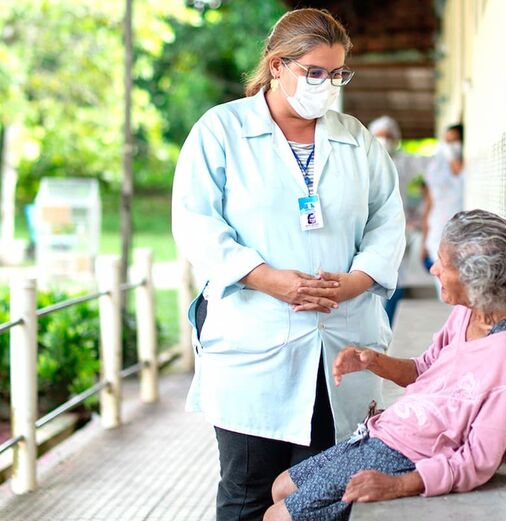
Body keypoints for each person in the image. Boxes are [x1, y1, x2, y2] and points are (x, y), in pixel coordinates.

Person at [171, 8, 406, 520]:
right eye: (314, 72)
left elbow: (388, 220)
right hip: (254, 343)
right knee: (247, 490)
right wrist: (265, 278)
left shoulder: (356, 138)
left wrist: (356, 281)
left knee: (321, 497)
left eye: (337, 73)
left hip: (339, 341)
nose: (327, 85)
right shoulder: (222, 130)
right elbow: (195, 222)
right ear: (277, 66)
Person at [263, 209, 506, 521]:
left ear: (475, 278)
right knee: (281, 487)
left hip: (407, 455)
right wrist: (372, 360)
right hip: (383, 432)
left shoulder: (505, 350)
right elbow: (425, 369)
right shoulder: (468, 312)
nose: (434, 270)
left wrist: (400, 484)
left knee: (276, 517)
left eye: (444, 263)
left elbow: (480, 458)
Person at [368, 115, 432, 325]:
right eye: (379, 136)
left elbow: (431, 174)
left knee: (396, 276)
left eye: (388, 136)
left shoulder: (405, 161)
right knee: (370, 274)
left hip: (398, 226)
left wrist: (418, 214)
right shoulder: (363, 160)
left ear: (396, 139)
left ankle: (387, 322)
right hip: (369, 227)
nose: (384, 140)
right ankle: (374, 322)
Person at [421, 123, 464, 274]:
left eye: (455, 141)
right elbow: (429, 204)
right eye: (447, 141)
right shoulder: (436, 169)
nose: (451, 145)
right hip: (436, 233)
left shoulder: (468, 168)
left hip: (462, 234)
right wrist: (424, 241)